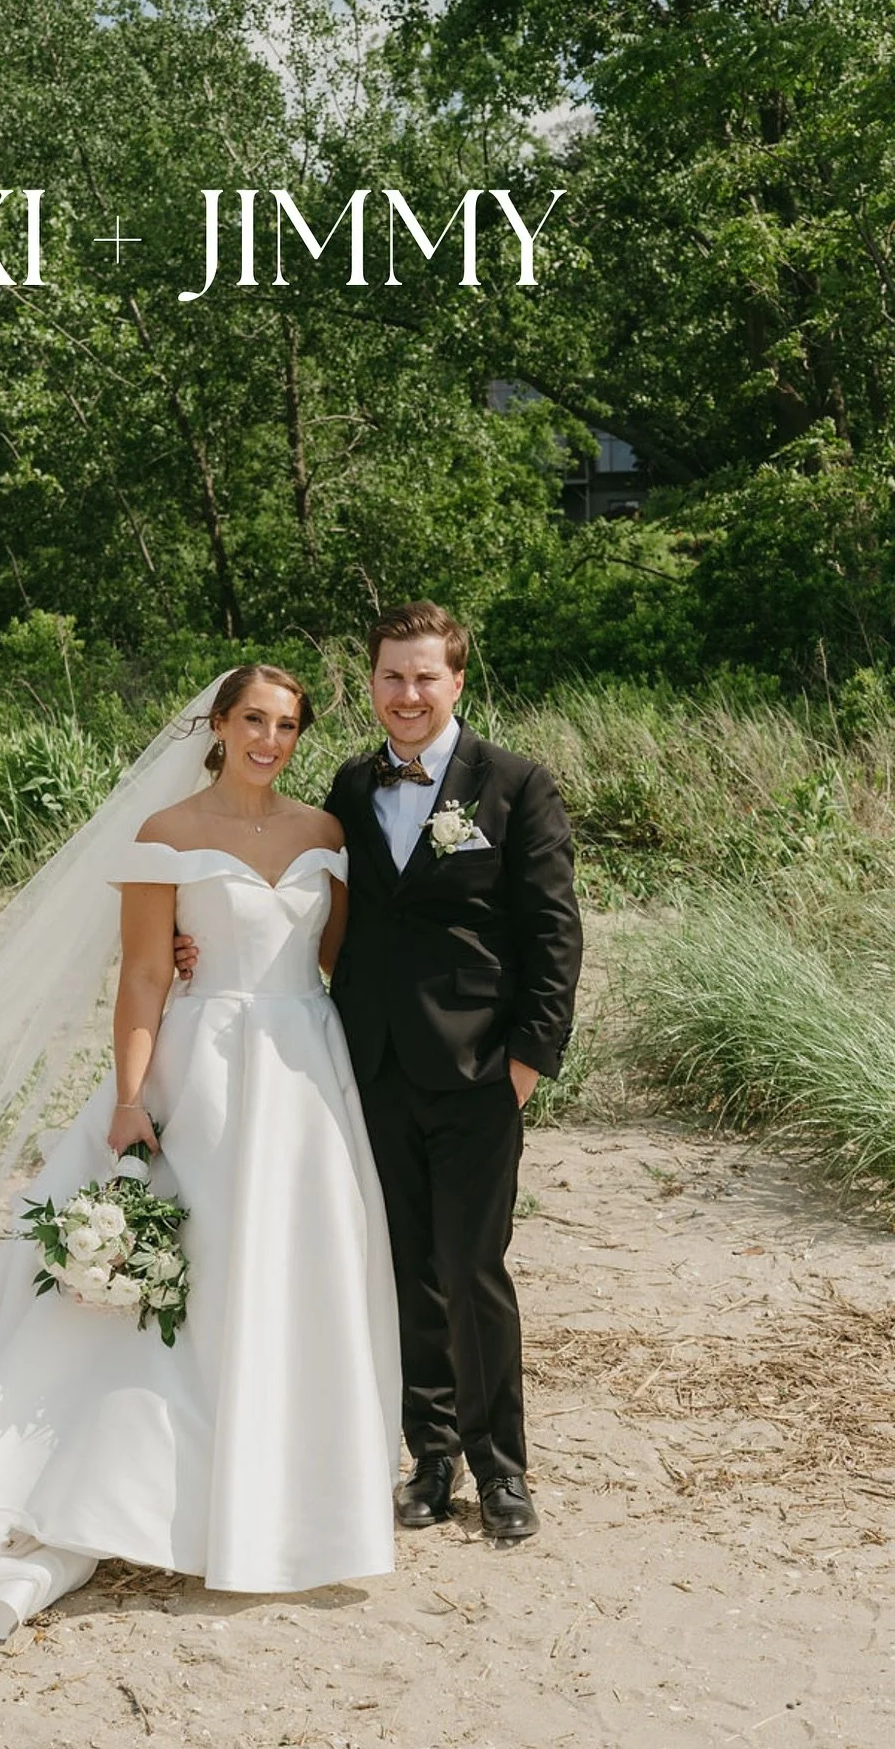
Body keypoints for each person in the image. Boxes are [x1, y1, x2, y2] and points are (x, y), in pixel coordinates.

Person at [0, 665, 401, 1640]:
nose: (270, 740)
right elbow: (148, 974)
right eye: (254, 720)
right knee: (201, 1274)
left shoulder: (325, 834)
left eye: (287, 725)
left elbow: (343, 960)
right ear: (220, 724)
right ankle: (154, 1497)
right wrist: (128, 1098)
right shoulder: (167, 835)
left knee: (297, 1272)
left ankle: (285, 1498)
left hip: (304, 1071)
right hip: (203, 1071)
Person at [323, 601, 582, 1541]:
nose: (408, 693)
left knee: (473, 1269)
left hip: (480, 1069)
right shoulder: (349, 786)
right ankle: (429, 1457)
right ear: (372, 682)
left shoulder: (514, 784)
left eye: (425, 675)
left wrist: (529, 1060)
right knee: (405, 1269)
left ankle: (500, 1467)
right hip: (375, 1066)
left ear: (457, 680)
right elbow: (322, 906)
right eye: (392, 675)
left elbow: (554, 933)